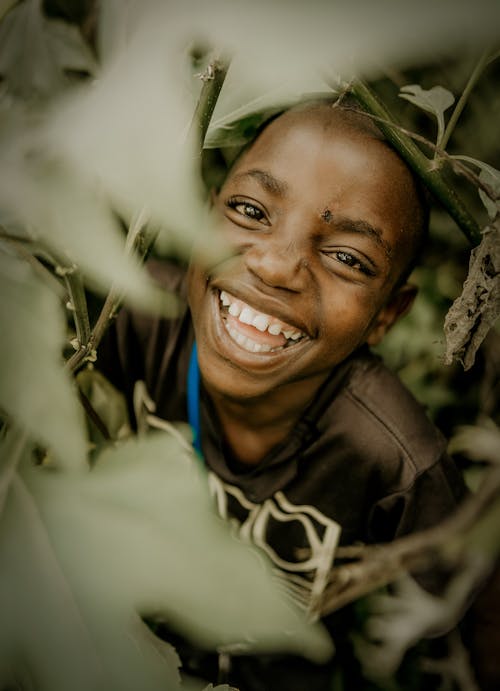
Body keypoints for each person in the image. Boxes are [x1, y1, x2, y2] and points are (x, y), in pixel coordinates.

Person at [97, 98, 467, 689]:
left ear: (387, 315)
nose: (274, 266)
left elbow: (463, 640)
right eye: (249, 210)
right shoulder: (125, 316)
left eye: (348, 256)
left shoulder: (398, 465)